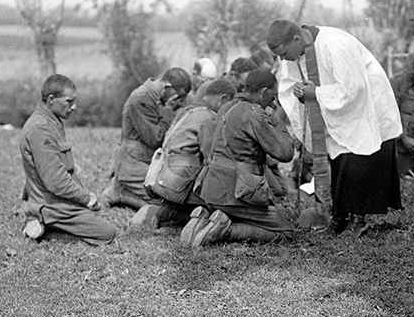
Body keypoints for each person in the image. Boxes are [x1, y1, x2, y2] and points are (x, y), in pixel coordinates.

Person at [266, 19, 403, 236]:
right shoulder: (294, 53)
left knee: (357, 161)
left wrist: (317, 93)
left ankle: (359, 220)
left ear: (296, 39)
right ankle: (340, 217)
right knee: (338, 162)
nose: (283, 59)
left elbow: (353, 88)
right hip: (333, 110)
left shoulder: (334, 45)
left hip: (364, 104)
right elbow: (290, 85)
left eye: (284, 53)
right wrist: (301, 94)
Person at [189, 70, 295, 247]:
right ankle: (226, 230)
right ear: (263, 92)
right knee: (286, 232)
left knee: (247, 213)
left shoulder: (225, 107)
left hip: (210, 190)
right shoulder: (254, 114)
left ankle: (204, 219)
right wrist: (278, 121)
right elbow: (285, 153)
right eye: (272, 96)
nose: (273, 102)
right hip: (236, 194)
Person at [18, 74, 116, 245]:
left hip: (55, 199)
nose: (74, 106)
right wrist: (85, 198)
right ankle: (47, 231)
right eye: (69, 101)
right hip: (50, 204)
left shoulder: (50, 121)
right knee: (107, 232)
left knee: (100, 218)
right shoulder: (41, 129)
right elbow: (56, 181)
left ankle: (45, 223)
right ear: (51, 100)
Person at [132, 79, 237, 231]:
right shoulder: (209, 117)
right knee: (219, 207)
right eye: (229, 105)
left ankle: (167, 211)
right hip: (179, 184)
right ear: (223, 99)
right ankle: (174, 215)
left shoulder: (186, 112)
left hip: (162, 177)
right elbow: (211, 158)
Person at [103, 68, 191, 209]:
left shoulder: (157, 98)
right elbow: (155, 138)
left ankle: (123, 191)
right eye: (178, 98)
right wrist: (168, 111)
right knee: (166, 204)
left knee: (176, 196)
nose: (180, 102)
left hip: (148, 163)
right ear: (167, 87)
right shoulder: (141, 99)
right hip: (133, 165)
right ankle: (121, 193)